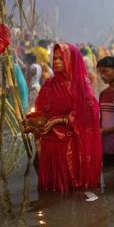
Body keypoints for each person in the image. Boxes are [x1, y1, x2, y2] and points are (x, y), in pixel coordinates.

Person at [23, 43, 102, 192]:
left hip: (71, 148)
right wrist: (32, 121)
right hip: (50, 145)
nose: (56, 61)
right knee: (53, 190)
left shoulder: (81, 87)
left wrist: (60, 121)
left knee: (71, 190)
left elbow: (91, 115)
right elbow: (41, 111)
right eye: (55, 58)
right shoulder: (49, 85)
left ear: (71, 60)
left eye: (61, 58)